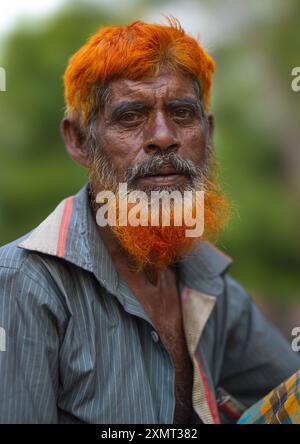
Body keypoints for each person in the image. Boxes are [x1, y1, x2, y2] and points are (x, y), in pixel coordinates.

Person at [0, 18, 299, 424]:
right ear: (80, 141)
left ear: (207, 134)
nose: (163, 135)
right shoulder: (26, 282)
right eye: (131, 116)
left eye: (181, 113)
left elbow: (287, 388)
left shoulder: (205, 278)